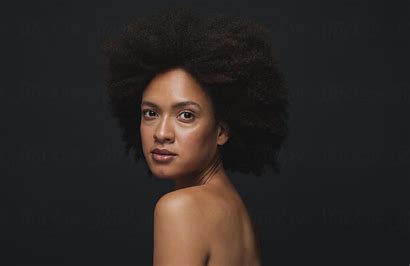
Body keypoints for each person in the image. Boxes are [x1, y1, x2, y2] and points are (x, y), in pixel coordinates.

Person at [101, 7, 289, 266]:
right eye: (151, 113)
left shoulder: (181, 208)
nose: (162, 133)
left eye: (186, 115)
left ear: (221, 131)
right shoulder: (235, 210)